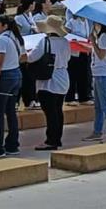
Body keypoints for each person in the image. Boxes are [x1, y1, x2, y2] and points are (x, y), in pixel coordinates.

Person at [28, 15, 72, 150]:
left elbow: (31, 58)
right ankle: (56, 138)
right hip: (62, 76)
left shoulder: (44, 42)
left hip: (48, 79)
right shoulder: (65, 42)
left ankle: (51, 140)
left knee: (50, 112)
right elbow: (68, 58)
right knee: (58, 110)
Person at [0, 15, 25, 158]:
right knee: (11, 112)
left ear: (5, 26)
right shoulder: (16, 37)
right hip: (16, 74)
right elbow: (23, 56)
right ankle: (12, 144)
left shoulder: (2, 39)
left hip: (6, 76)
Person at [82, 22, 106, 142]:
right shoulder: (103, 37)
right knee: (98, 106)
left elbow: (101, 55)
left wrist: (93, 41)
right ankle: (97, 131)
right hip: (98, 73)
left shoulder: (104, 37)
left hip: (103, 74)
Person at [65, 12, 92, 105]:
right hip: (74, 52)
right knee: (72, 74)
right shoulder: (71, 22)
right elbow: (66, 35)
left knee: (84, 75)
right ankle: (69, 98)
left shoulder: (87, 22)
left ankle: (84, 97)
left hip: (84, 51)